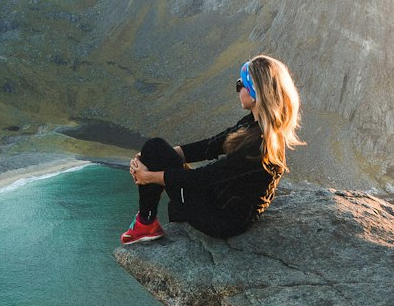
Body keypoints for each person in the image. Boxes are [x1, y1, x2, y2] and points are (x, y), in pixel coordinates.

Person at [119, 55, 303, 244]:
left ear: (256, 93)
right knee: (154, 147)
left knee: (157, 153)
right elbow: (210, 146)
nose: (238, 89)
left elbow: (202, 179)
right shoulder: (253, 125)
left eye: (241, 84)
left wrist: (147, 177)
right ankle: (146, 222)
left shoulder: (257, 145)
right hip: (219, 199)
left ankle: (146, 222)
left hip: (222, 219)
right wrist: (154, 157)